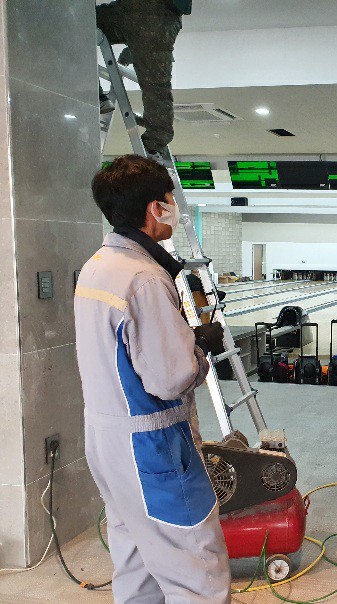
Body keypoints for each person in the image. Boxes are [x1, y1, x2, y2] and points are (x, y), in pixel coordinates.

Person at [74, 155, 231, 602]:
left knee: (137, 564)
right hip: (152, 447)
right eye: (169, 200)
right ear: (153, 208)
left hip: (107, 441)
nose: (173, 210)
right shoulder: (144, 278)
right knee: (198, 572)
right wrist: (199, 349)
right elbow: (170, 378)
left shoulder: (97, 266)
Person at [96, 0, 192, 159]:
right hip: (138, 12)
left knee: (156, 86)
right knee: (78, 23)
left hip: (154, 14)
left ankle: (154, 144)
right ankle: (154, 144)